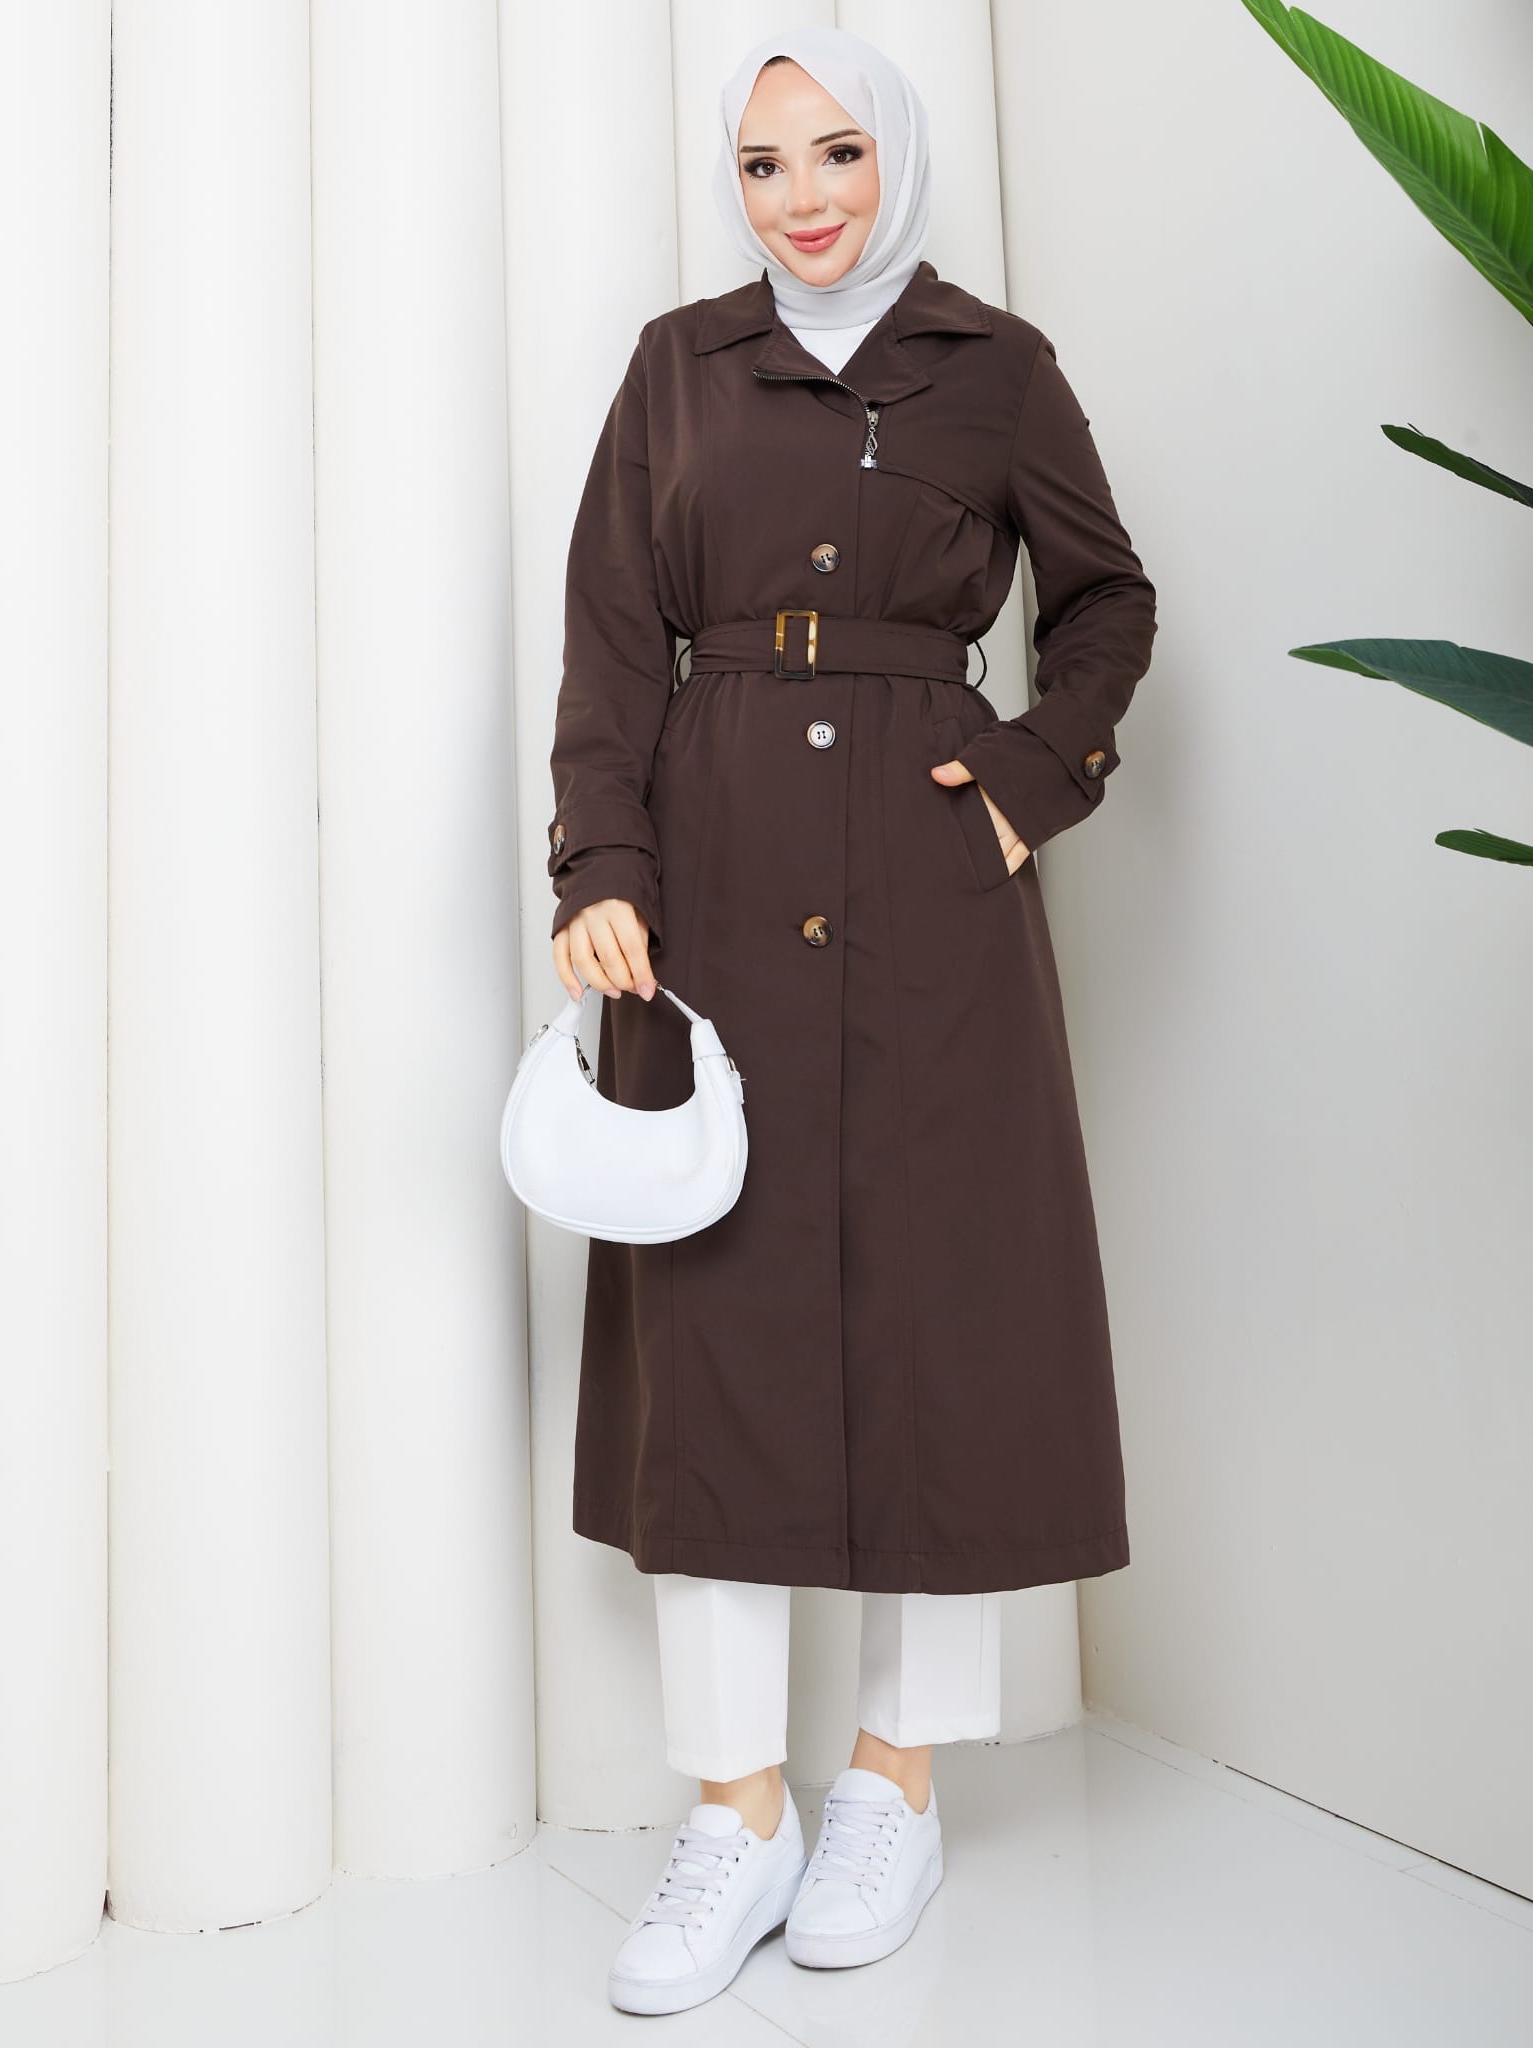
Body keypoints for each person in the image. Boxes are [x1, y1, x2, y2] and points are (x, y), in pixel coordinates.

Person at [543, 24, 1157, 2017]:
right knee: (710, 1324)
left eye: (834, 154)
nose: (799, 197)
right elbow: (611, 634)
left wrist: (1024, 786)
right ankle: (737, 1811)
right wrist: (601, 863)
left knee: (936, 1316)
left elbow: (1108, 601)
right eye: (761, 164)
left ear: (892, 156)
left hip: (928, 882)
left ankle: (895, 1783)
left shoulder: (998, 366)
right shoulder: (677, 365)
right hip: (710, 874)